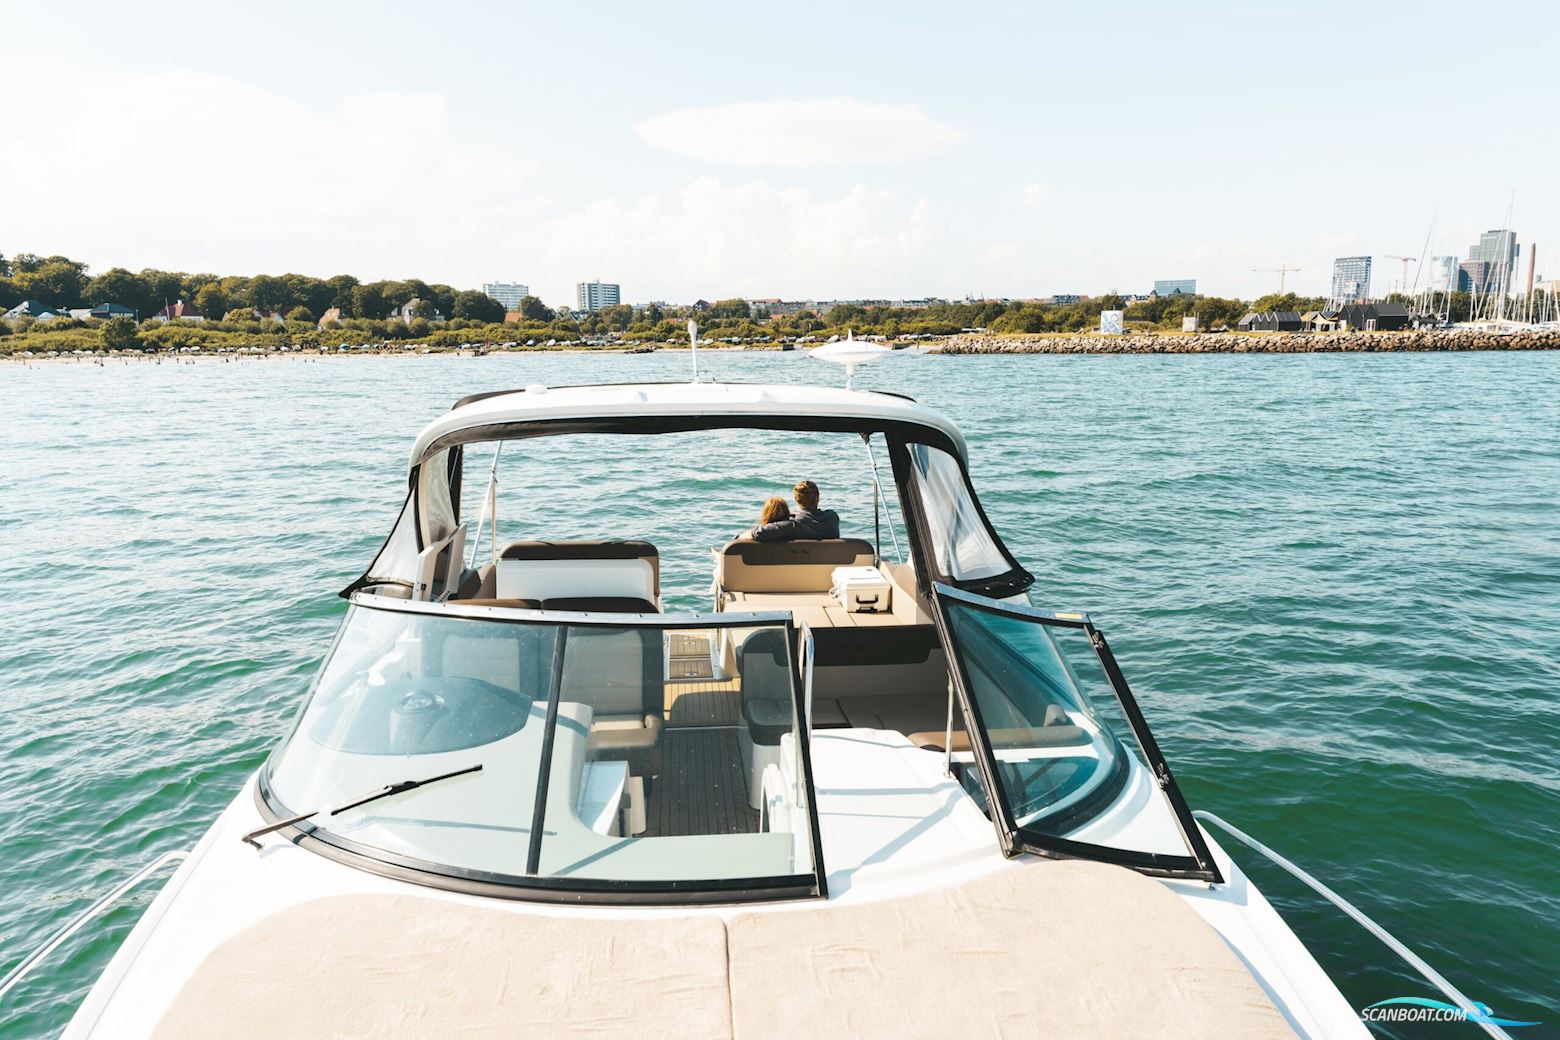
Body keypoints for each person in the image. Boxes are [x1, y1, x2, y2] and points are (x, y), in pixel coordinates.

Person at [751, 480, 840, 542]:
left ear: (796, 500)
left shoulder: (792, 524)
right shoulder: (832, 518)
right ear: (818, 497)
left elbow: (757, 533)